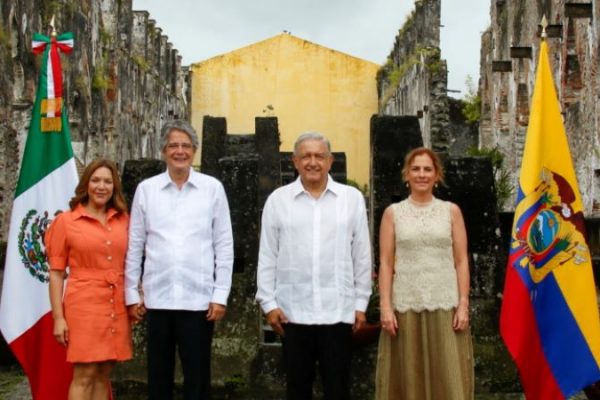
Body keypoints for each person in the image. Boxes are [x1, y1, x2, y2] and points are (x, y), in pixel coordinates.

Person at [256, 132, 372, 400]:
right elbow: (268, 255)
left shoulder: (351, 199)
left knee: (338, 387)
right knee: (297, 387)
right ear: (294, 162)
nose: (312, 162)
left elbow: (362, 255)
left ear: (330, 161)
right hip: (292, 312)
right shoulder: (278, 200)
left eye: (319, 156)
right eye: (305, 156)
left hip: (339, 311)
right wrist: (268, 303)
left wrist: (360, 303)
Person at [125, 119, 234, 400]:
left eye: (186, 145)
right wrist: (131, 293)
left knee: (198, 377)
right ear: (164, 151)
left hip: (198, 300)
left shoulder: (212, 189)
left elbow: (223, 244)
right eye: (173, 145)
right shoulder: (146, 190)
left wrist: (220, 294)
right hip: (156, 299)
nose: (180, 151)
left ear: (194, 151)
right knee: (157, 376)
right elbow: (135, 245)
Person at [375, 147, 474, 400]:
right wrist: (385, 307)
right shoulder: (392, 214)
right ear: (406, 174)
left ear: (437, 174)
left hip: (445, 304)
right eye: (415, 169)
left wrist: (463, 305)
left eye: (427, 169)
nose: (421, 174)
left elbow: (461, 260)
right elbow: (385, 263)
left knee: (447, 374)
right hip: (405, 304)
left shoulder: (451, 211)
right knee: (409, 374)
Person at [46, 159, 132, 400]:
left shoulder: (124, 220)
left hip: (116, 301)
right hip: (83, 304)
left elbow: (132, 262)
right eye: (95, 180)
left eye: (107, 181)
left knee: (104, 371)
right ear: (86, 184)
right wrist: (58, 317)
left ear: (114, 186)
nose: (101, 186)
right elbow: (56, 273)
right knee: (84, 372)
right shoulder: (66, 221)